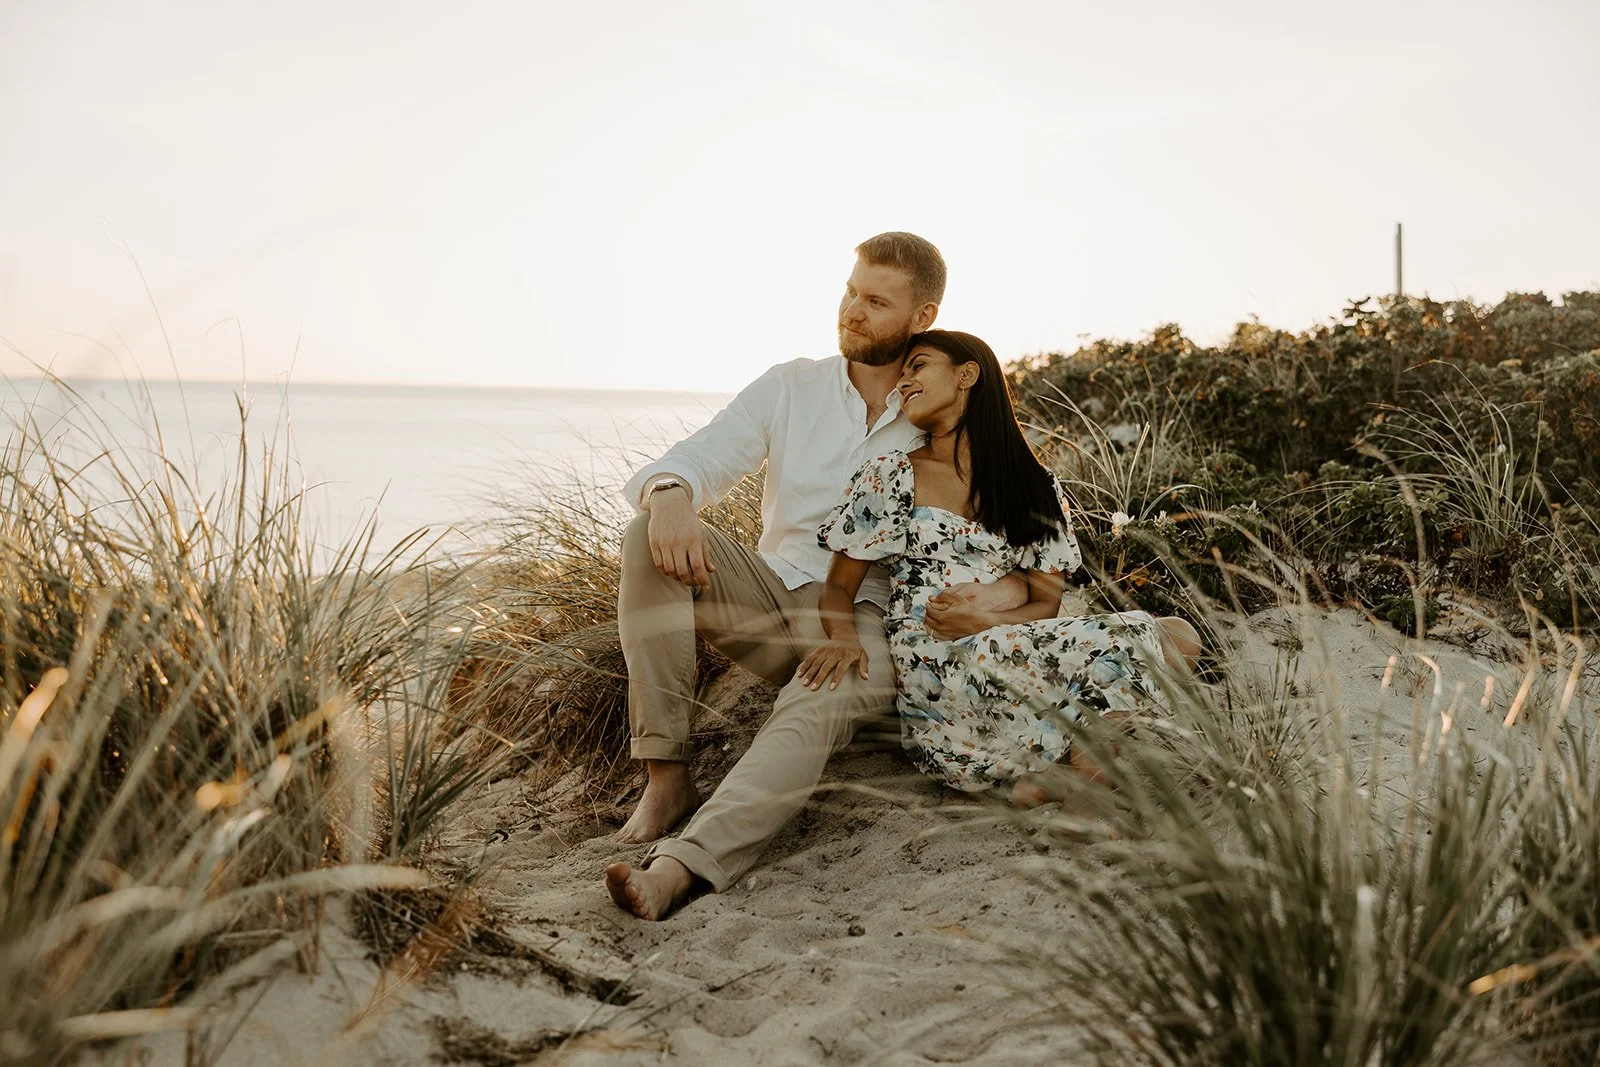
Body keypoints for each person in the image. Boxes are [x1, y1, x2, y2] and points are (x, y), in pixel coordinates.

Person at [603, 234, 1029, 921]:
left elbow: (1008, 531)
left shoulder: (944, 413)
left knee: (820, 694)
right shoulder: (791, 386)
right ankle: (666, 773)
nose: (852, 310)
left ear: (922, 316)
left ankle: (683, 866)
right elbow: (701, 454)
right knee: (644, 535)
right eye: (851, 290)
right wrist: (672, 492)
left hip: (871, 620)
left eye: (876, 301)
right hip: (770, 593)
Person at [801, 330, 1202, 807]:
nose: (902, 382)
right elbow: (838, 589)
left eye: (918, 366)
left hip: (1009, 648)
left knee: (1177, 636)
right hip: (936, 666)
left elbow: (1045, 607)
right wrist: (843, 637)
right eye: (901, 373)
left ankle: (1056, 784)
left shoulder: (1034, 485)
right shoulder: (891, 473)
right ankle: (1084, 791)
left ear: (967, 374)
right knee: (1141, 643)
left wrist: (987, 620)